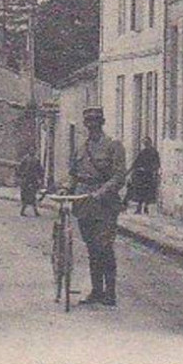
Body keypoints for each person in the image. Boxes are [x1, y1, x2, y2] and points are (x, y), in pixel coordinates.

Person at [69, 106, 126, 307]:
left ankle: (110, 293)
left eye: (95, 121)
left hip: (105, 205)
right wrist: (65, 190)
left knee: (105, 247)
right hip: (83, 204)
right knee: (92, 248)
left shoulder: (113, 146)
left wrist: (101, 192)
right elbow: (74, 176)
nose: (91, 125)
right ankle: (96, 291)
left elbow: (119, 176)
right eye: (88, 122)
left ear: (101, 123)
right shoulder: (80, 148)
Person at [126, 138, 160, 215]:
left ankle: (145, 208)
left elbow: (157, 164)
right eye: (145, 143)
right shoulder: (143, 152)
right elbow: (136, 163)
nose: (146, 144)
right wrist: (129, 171)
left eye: (147, 143)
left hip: (148, 175)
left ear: (150, 143)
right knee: (141, 192)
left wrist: (154, 171)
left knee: (147, 192)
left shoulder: (154, 152)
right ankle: (140, 208)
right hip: (142, 175)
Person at [18, 151, 44, 217]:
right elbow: (40, 170)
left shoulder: (28, 159)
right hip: (29, 180)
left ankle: (33, 211)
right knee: (30, 195)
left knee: (30, 196)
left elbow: (20, 169)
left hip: (30, 180)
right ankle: (32, 211)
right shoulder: (28, 159)